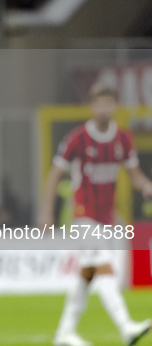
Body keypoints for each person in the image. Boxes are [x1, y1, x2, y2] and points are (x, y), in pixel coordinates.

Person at [40, 83, 152, 346]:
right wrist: (47, 211)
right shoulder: (77, 138)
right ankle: (126, 327)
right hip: (82, 215)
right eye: (99, 103)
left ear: (115, 106)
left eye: (109, 103)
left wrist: (147, 186)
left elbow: (133, 174)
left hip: (106, 217)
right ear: (91, 106)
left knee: (87, 274)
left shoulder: (123, 138)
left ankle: (64, 333)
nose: (104, 108)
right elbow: (55, 175)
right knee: (103, 266)